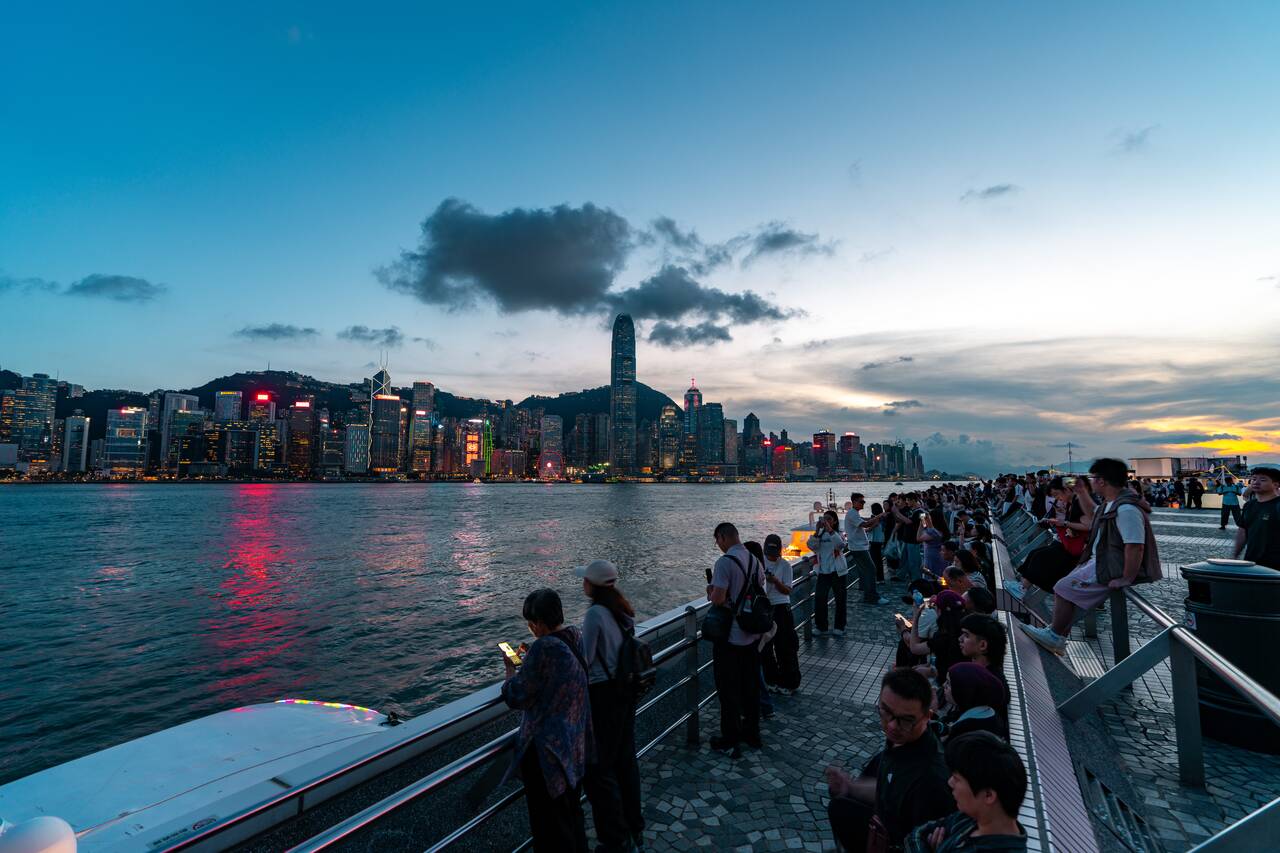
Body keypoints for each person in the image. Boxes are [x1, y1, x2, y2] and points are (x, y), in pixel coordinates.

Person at [1021, 459, 1162, 655]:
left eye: (1094, 478)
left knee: (1063, 587)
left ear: (1102, 481)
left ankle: (1055, 635)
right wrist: (1081, 492)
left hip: (1111, 564)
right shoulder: (1112, 504)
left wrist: (1126, 577)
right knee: (1066, 590)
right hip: (1101, 560)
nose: (1092, 481)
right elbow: (1094, 514)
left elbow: (1135, 546)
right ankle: (1056, 635)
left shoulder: (1127, 509)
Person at [501, 589, 591, 853]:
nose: (530, 628)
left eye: (530, 623)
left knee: (549, 827)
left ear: (539, 623)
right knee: (571, 816)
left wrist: (510, 670)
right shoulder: (574, 638)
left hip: (548, 755)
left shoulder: (544, 648)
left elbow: (516, 694)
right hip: (574, 745)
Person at [825, 668, 955, 852]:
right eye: (885, 710)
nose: (892, 725)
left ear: (927, 716)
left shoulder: (930, 781)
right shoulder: (903, 740)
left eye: (906, 719)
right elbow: (891, 792)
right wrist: (850, 787)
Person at [576, 560, 644, 853]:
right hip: (624, 691)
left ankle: (613, 838)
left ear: (591, 585)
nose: (582, 583)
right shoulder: (622, 610)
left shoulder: (594, 615)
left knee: (600, 769)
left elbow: (585, 660)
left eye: (585, 580)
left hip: (603, 696)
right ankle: (634, 824)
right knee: (625, 762)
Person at [905, 732, 1028, 852]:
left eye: (957, 779)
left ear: (988, 795)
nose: (950, 782)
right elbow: (916, 835)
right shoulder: (971, 817)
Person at [708, 522, 765, 757]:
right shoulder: (755, 560)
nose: (718, 546)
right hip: (751, 634)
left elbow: (718, 599)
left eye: (717, 541)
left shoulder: (724, 563)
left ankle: (730, 738)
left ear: (722, 537)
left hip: (730, 637)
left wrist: (711, 591)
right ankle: (752, 733)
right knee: (750, 686)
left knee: (728, 689)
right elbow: (758, 590)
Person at [760, 533, 801, 693]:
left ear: (780, 551)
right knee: (766, 648)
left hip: (781, 608)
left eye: (774, 552)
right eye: (769, 552)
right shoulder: (759, 563)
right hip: (764, 608)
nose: (771, 556)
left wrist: (775, 581)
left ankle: (790, 682)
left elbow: (787, 591)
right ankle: (772, 680)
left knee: (785, 646)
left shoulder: (785, 566)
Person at [937, 663, 1009, 742]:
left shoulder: (968, 730)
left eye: (948, 683)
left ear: (963, 691)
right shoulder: (983, 713)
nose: (944, 685)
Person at [809, 509, 849, 636]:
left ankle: (840, 627)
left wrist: (830, 530)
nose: (826, 521)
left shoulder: (838, 533)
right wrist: (817, 531)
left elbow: (841, 545)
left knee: (840, 600)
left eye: (829, 519)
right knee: (820, 599)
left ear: (835, 521)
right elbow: (811, 546)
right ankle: (821, 627)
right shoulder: (819, 536)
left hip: (838, 571)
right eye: (824, 518)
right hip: (823, 572)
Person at [846, 493, 890, 605]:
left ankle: (868, 595)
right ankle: (872, 596)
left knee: (866, 570)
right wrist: (879, 516)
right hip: (858, 547)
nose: (863, 504)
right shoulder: (852, 514)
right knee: (870, 569)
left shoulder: (854, 513)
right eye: (861, 502)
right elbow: (864, 524)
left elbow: (864, 520)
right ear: (854, 502)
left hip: (859, 546)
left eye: (863, 501)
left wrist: (875, 519)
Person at [1234, 467, 1280, 570]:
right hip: (1251, 563)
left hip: (1275, 566)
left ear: (1276, 484)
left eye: (1263, 480)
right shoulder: (1249, 506)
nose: (1256, 482)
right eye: (1254, 479)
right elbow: (1242, 531)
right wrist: (1235, 556)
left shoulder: (1277, 505)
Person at [869, 502, 888, 582]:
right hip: (880, 540)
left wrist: (866, 529)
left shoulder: (875, 518)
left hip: (874, 540)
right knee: (879, 560)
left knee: (874, 560)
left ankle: (877, 578)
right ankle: (881, 578)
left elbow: (871, 527)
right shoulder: (883, 518)